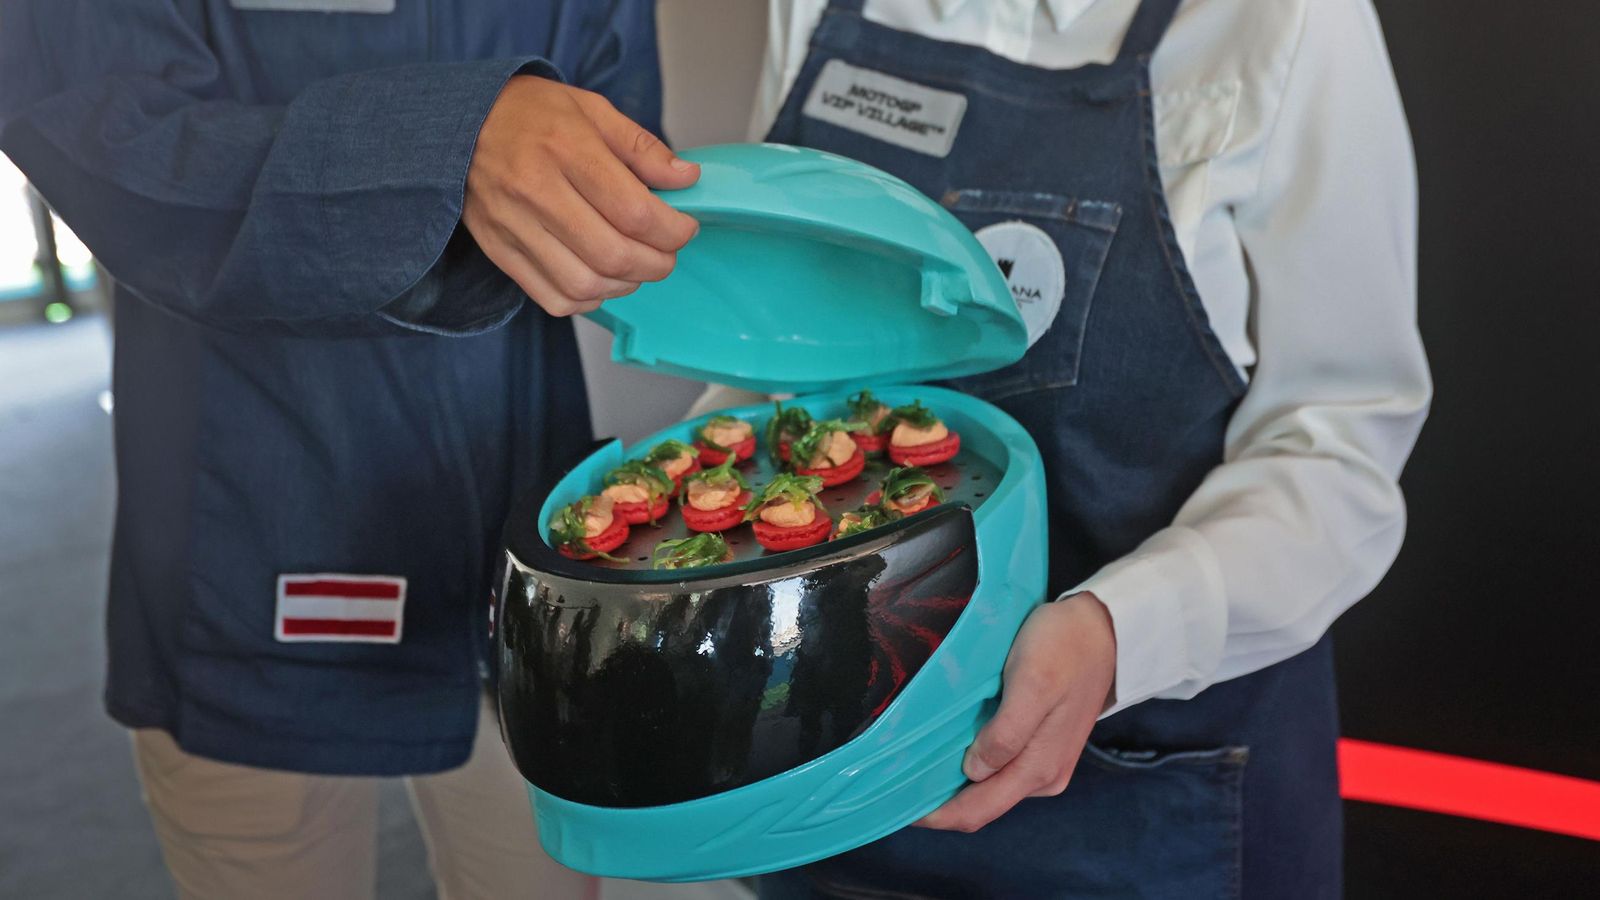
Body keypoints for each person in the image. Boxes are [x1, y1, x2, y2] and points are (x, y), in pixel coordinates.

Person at [0, 2, 714, 898]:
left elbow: (618, 120)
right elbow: (96, 130)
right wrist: (447, 144)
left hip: (513, 521)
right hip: (253, 499)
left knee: (535, 864)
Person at [743, 0, 1432, 896]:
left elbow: (1341, 445)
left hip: (1154, 795)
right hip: (838, 784)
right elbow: (780, 376)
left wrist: (1121, 635)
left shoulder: (1288, 21)